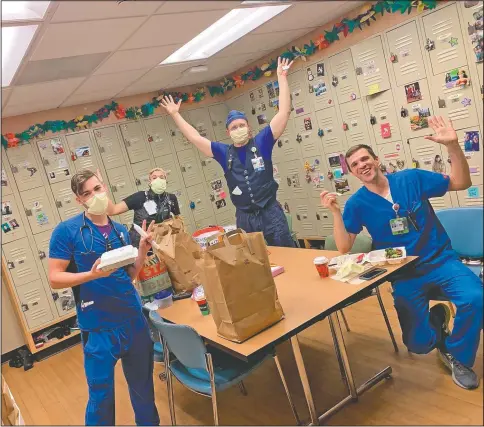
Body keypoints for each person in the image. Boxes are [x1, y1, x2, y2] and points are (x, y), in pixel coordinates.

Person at [320, 116, 482, 390]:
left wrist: (453, 146)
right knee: (418, 345)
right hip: (404, 274)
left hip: (441, 261)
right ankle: (438, 323)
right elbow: (344, 247)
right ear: (352, 172)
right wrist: (335, 212)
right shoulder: (358, 203)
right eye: (355, 164)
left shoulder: (411, 179)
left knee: (476, 297)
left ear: (376, 159)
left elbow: (460, 182)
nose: (362, 165)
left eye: (365, 158)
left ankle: (458, 356)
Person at [48, 170, 160, 426]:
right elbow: (55, 278)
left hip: (133, 320)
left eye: (97, 189)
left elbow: (130, 275)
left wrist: (142, 251)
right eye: (87, 193)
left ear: (105, 188)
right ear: (79, 199)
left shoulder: (120, 231)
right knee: (101, 399)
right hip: (98, 327)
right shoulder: (67, 231)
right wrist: (91, 275)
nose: (94, 195)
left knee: (144, 390)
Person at [159, 57, 295, 247]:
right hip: (245, 217)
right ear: (228, 133)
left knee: (286, 252)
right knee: (252, 259)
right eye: (233, 127)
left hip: (270, 212)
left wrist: (281, 78)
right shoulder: (224, 153)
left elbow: (283, 113)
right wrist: (175, 114)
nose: (238, 129)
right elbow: (195, 137)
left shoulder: (262, 142)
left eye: (241, 125)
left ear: (248, 128)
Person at [104, 167, 180, 248]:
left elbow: (178, 220)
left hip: (161, 243)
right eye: (154, 178)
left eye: (161, 177)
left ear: (165, 180)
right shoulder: (140, 197)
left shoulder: (171, 198)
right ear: (150, 182)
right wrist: (102, 192)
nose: (158, 180)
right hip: (139, 243)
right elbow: (112, 211)